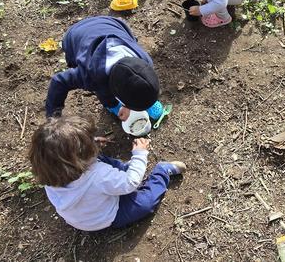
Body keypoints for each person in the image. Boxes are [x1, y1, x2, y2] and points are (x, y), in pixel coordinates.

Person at [28, 115, 186, 231]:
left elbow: (68, 153)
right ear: (78, 157)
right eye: (88, 143)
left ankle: (126, 170)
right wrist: (140, 155)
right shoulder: (98, 174)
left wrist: (92, 143)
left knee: (101, 160)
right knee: (145, 203)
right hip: (107, 217)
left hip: (81, 217)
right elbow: (131, 184)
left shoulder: (50, 172)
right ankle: (162, 171)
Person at [44, 16, 159, 121]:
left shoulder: (145, 60)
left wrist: (137, 100)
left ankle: (139, 100)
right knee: (102, 88)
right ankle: (112, 104)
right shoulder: (90, 75)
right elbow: (58, 82)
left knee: (129, 36)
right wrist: (53, 119)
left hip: (109, 23)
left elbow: (143, 81)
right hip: (75, 35)